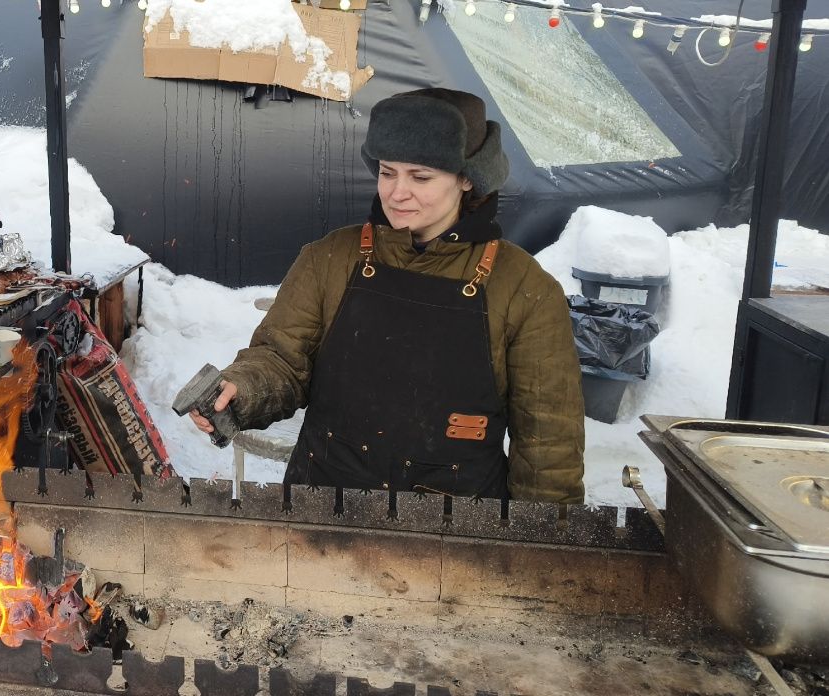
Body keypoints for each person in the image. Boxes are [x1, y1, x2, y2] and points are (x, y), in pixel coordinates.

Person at [190, 88, 585, 503]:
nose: (397, 193)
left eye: (421, 177)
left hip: (458, 526)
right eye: (387, 172)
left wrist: (543, 546)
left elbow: (547, 444)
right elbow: (283, 360)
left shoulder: (524, 288)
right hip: (323, 505)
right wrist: (242, 387)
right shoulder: (330, 258)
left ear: (467, 179)